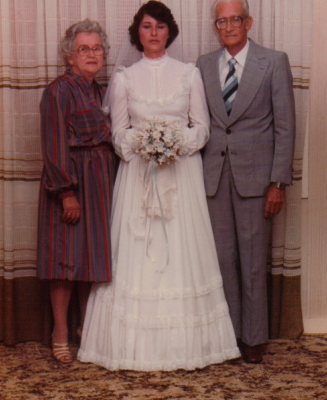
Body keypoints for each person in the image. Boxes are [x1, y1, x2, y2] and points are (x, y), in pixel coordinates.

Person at [77, 1, 240, 371]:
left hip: (181, 176)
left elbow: (202, 128)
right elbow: (118, 134)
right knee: (138, 255)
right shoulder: (123, 78)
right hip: (138, 179)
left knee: (182, 255)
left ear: (170, 31)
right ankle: (132, 346)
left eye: (160, 26)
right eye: (147, 26)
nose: (153, 33)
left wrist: (172, 145)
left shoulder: (189, 74)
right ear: (137, 33)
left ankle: (186, 347)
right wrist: (146, 146)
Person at [196, 0, 296, 363]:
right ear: (215, 27)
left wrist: (278, 183)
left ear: (248, 22)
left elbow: (285, 128)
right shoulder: (204, 65)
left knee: (253, 261)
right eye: (221, 21)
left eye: (235, 19)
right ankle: (229, 335)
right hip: (214, 179)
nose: (228, 27)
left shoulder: (274, 62)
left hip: (257, 181)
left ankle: (253, 338)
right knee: (222, 261)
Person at [38, 19, 116, 364]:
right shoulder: (58, 90)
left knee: (91, 261)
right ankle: (59, 332)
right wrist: (66, 192)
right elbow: (53, 144)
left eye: (96, 48)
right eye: (83, 49)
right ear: (69, 56)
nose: (91, 54)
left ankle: (86, 328)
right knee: (64, 261)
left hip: (101, 183)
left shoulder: (104, 91)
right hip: (70, 182)